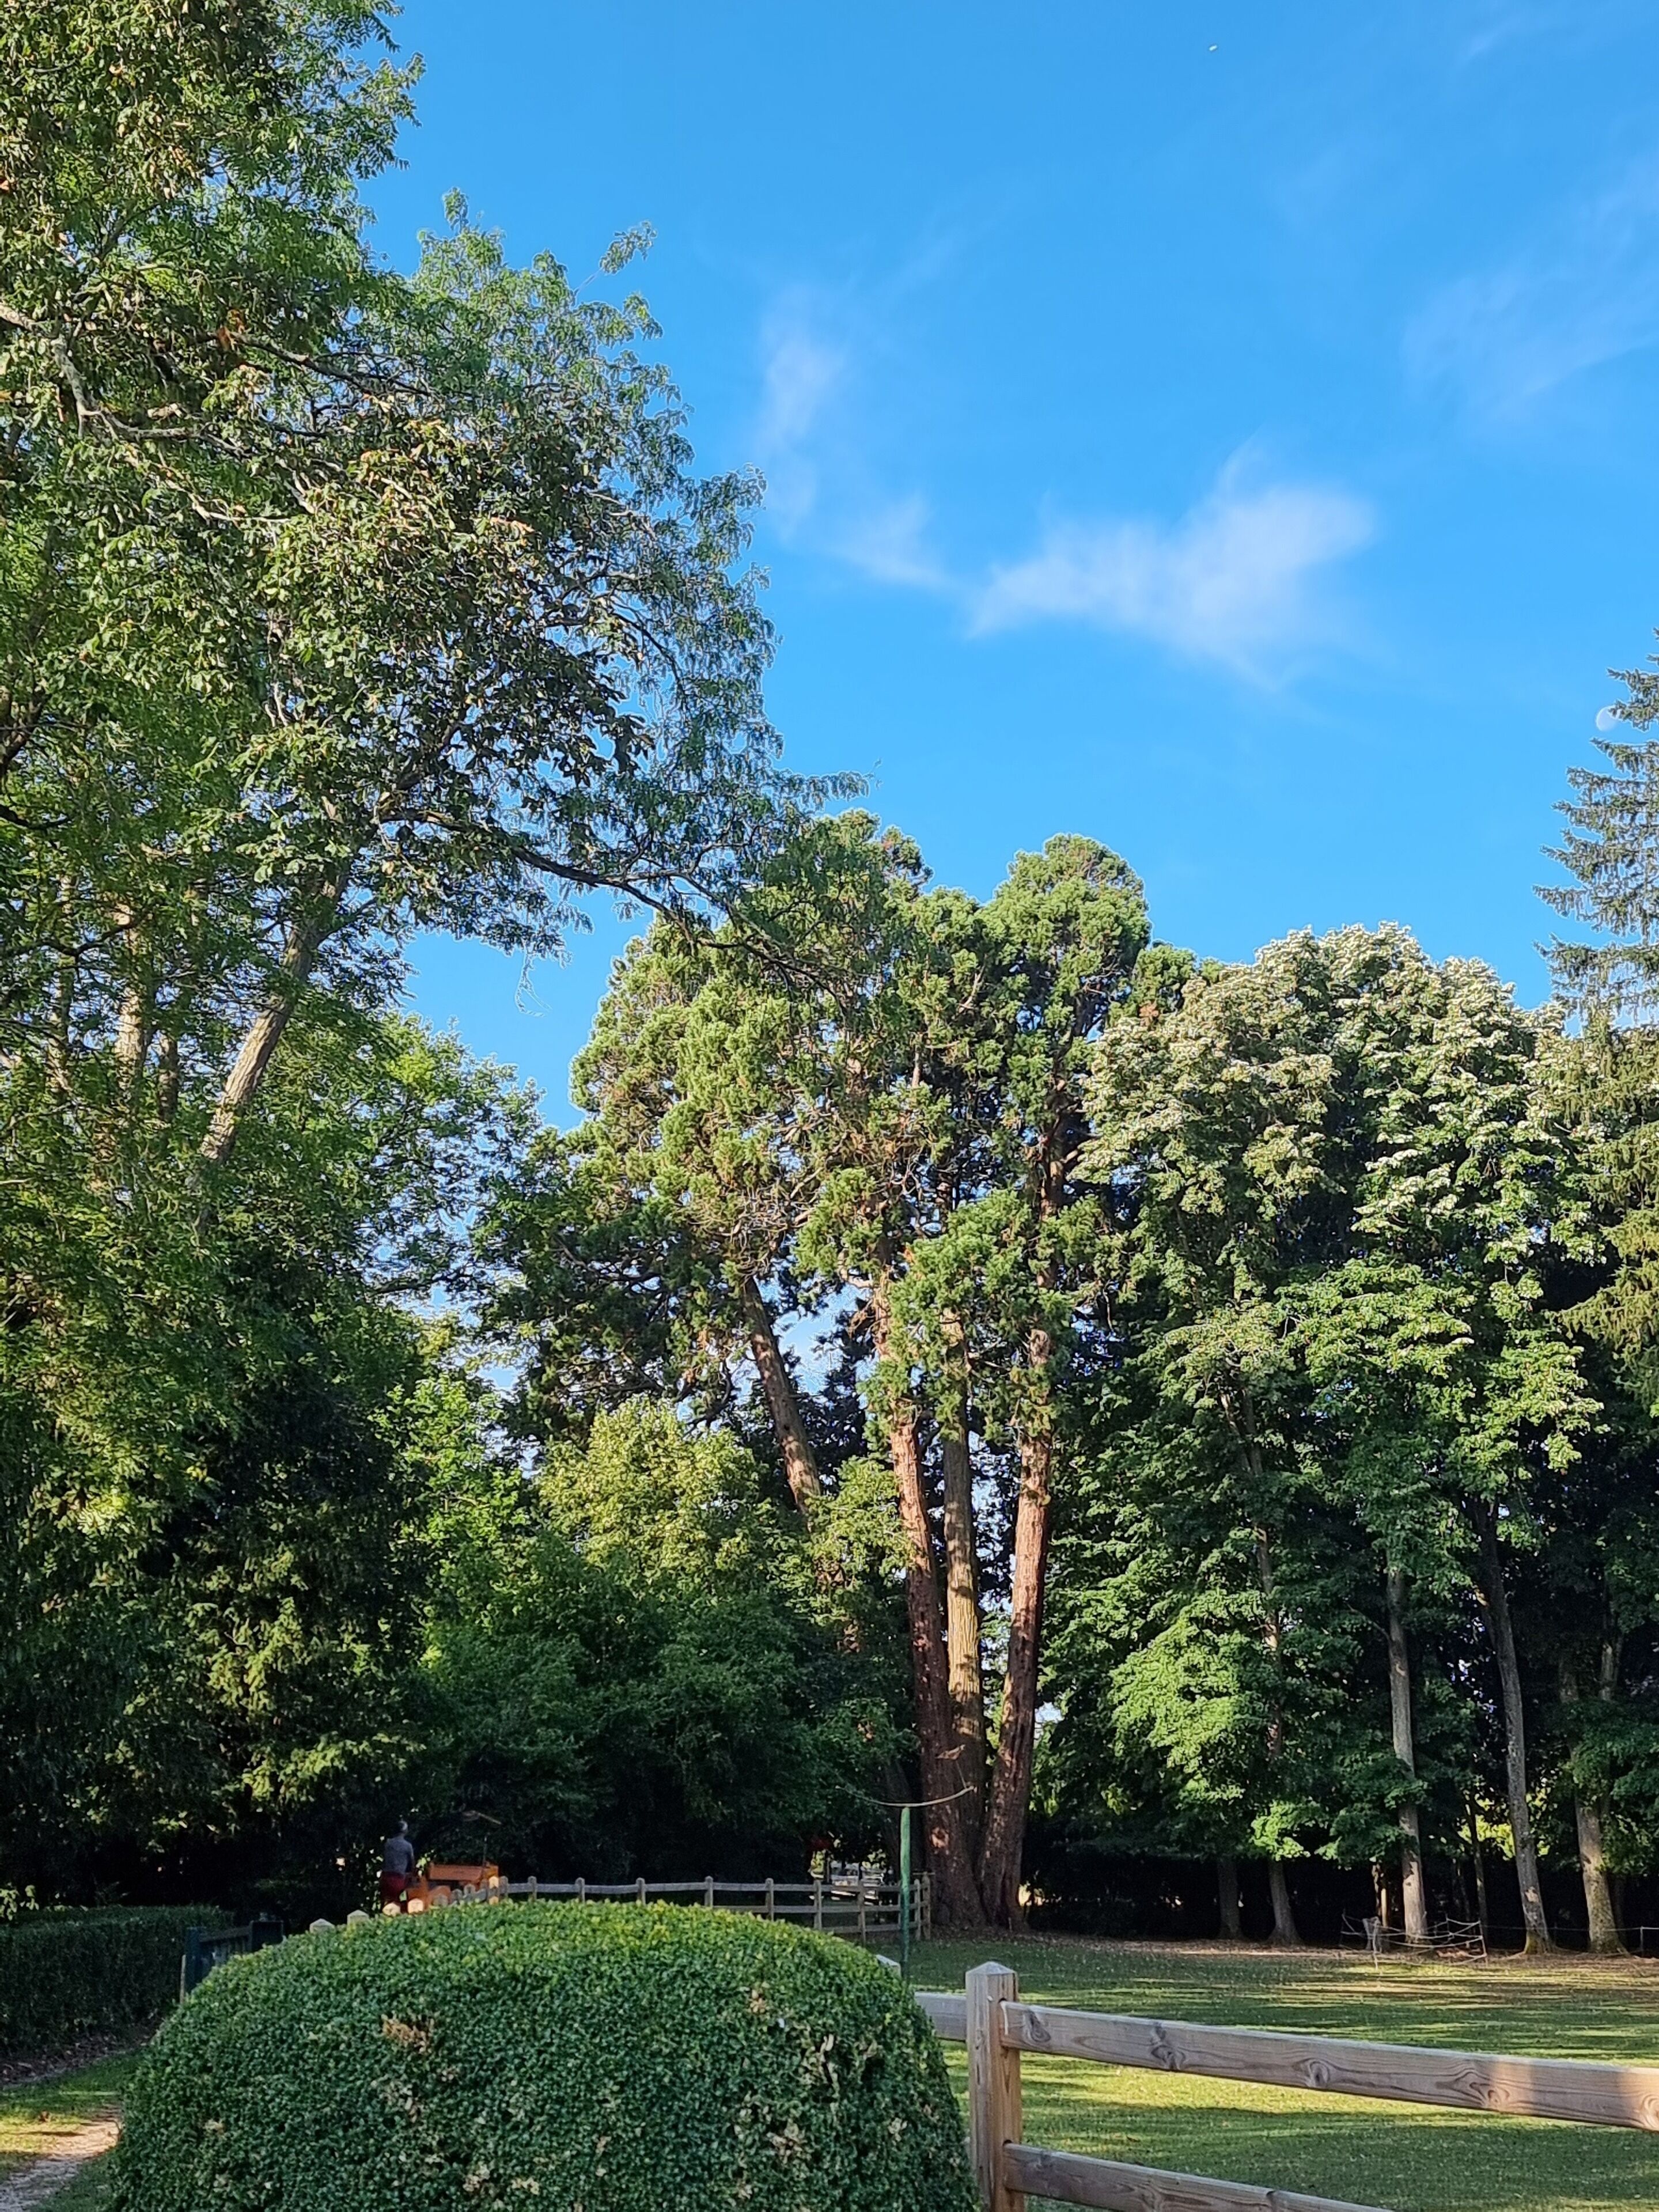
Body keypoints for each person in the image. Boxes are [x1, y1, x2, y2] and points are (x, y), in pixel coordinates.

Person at [380, 1819, 416, 1908]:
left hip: (385, 1877)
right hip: (399, 1878)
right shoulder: (407, 1846)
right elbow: (412, 1863)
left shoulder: (388, 1843)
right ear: (405, 1831)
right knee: (402, 1900)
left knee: (387, 1901)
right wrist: (413, 1874)